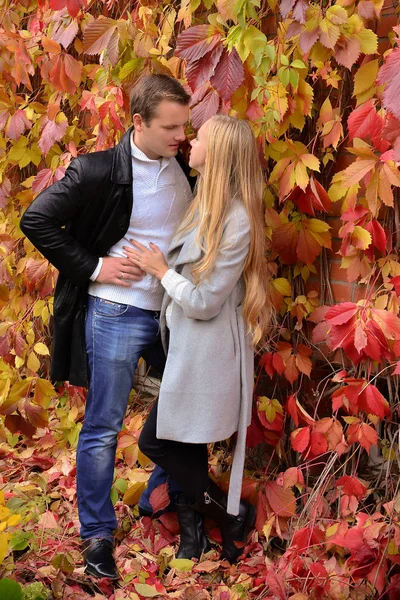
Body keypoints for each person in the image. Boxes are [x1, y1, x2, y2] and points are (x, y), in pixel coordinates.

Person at [20, 74, 195, 579]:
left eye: (184, 125)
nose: (181, 135)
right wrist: (96, 267)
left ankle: (166, 503)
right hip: (115, 311)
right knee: (102, 428)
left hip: (172, 314)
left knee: (185, 412)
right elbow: (36, 219)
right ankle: (97, 538)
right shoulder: (97, 171)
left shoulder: (181, 163)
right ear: (137, 122)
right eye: (170, 127)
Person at [123, 115, 270, 563]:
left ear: (219, 152)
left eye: (200, 137)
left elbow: (205, 301)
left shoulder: (237, 219)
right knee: (182, 444)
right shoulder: (201, 202)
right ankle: (205, 529)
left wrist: (160, 271)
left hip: (208, 349)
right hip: (186, 345)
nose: (191, 141)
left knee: (156, 441)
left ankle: (229, 516)